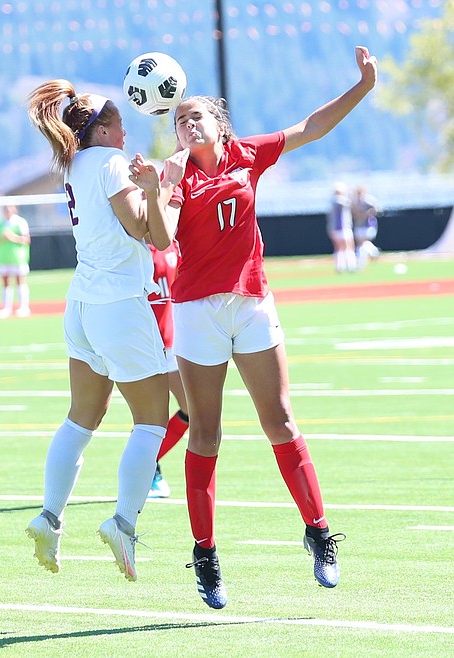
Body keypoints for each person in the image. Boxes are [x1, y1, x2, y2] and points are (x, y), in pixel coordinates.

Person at [132, 45, 377, 609]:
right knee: (206, 433)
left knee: (281, 420)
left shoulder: (247, 154)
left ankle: (319, 532)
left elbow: (312, 127)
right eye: (179, 120)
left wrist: (362, 87)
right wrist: (155, 188)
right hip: (197, 310)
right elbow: (161, 239)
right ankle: (205, 554)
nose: (187, 124)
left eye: (196, 115)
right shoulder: (174, 173)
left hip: (251, 303)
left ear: (218, 124)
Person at [24, 79, 185, 582]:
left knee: (80, 420)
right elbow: (149, 232)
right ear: (102, 130)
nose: (125, 132)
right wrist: (167, 189)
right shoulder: (111, 163)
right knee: (152, 423)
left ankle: (49, 516)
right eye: (119, 124)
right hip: (119, 303)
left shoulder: (73, 163)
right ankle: (123, 523)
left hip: (81, 304)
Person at [146, 240, 189, 498]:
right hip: (146, 343)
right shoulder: (134, 244)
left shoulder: (172, 243)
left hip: (174, 342)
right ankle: (148, 472)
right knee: (149, 416)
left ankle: (147, 464)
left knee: (192, 410)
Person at [0, 205, 31, 318]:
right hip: (2, 257)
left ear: (14, 209)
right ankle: (6, 308)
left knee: (20, 281)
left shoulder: (20, 222)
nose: (8, 211)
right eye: (5, 209)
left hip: (18, 257)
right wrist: (2, 238)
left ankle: (24, 307)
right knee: (5, 283)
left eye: (10, 208)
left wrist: (12, 237)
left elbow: (26, 240)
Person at [327, 182, 356, 273]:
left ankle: (340, 266)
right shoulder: (338, 200)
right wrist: (352, 194)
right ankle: (350, 266)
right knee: (348, 247)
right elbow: (351, 204)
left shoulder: (332, 200)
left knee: (340, 248)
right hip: (342, 228)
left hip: (335, 228)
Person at [351, 185, 380, 269]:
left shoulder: (368, 200)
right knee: (362, 244)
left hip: (368, 225)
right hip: (358, 225)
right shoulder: (355, 201)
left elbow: (376, 209)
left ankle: (361, 263)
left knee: (362, 243)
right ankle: (374, 252)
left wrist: (367, 214)